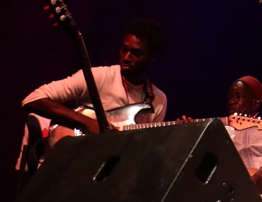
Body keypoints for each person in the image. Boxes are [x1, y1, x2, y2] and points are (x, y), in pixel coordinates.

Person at [19, 18, 169, 170]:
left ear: (152, 56)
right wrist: (88, 123)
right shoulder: (99, 77)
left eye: (136, 53)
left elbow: (146, 145)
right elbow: (33, 99)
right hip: (72, 161)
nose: (126, 57)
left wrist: (180, 130)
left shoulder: (158, 99)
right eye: (124, 49)